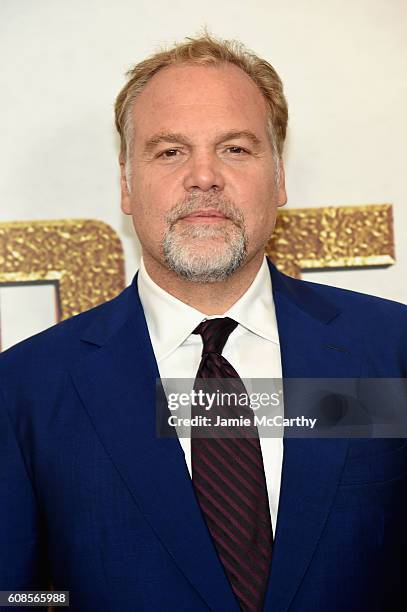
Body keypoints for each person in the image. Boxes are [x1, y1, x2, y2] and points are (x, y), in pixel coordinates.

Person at [0, 33, 406, 612]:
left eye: (236, 148)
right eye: (169, 151)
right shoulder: (25, 390)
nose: (204, 176)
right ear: (124, 182)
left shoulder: (391, 352)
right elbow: (18, 595)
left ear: (280, 176)